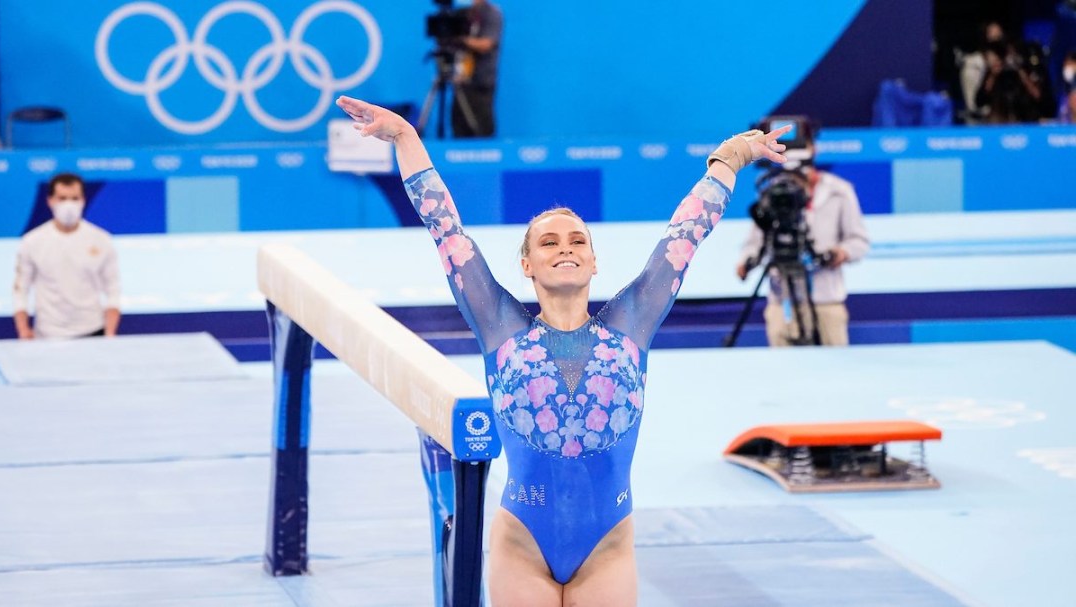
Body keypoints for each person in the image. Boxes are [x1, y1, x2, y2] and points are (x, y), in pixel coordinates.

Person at [336, 95, 788, 605]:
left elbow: (684, 237)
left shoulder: (632, 321)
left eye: (577, 240)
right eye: (548, 243)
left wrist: (729, 158)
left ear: (594, 262)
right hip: (521, 544)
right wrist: (406, 138)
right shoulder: (499, 325)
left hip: (608, 547)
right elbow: (446, 230)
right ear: (527, 265)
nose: (566, 247)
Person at [735, 129, 869, 347]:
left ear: (812, 148)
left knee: (835, 374)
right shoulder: (772, 192)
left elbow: (859, 241)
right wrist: (746, 262)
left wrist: (841, 254)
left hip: (826, 299)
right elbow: (755, 241)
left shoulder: (840, 190)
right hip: (782, 300)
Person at [12, 173, 121, 339]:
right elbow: (20, 288)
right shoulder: (32, 242)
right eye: (62, 198)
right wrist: (23, 329)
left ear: (83, 200)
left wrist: (110, 332)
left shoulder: (102, 240)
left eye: (74, 198)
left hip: (93, 331)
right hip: (48, 333)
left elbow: (113, 288)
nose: (69, 204)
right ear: (50, 201)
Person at [451, 0, 502, 138]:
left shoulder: (492, 13)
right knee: (459, 126)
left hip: (481, 80)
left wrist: (461, 40)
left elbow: (486, 44)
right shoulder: (462, 13)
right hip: (461, 80)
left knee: (482, 126)